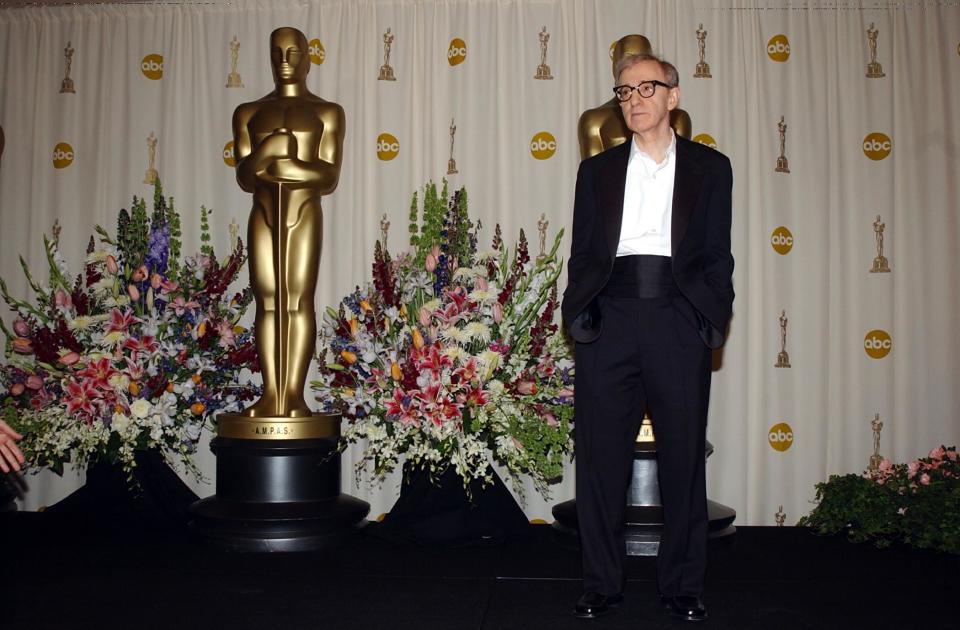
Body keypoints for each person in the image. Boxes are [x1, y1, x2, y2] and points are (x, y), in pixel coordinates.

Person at [562, 52, 734, 622]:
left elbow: (715, 253)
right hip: (611, 317)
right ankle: (601, 584)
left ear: (672, 97)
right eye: (624, 91)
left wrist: (710, 314)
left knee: (682, 458)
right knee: (600, 459)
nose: (633, 99)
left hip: (678, 316)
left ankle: (683, 585)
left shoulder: (712, 168)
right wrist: (580, 311)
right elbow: (584, 252)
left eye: (646, 88)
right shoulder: (598, 171)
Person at [232, 27, 345, 418]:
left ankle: (293, 395)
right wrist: (267, 150)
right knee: (267, 303)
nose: (284, 60)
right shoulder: (248, 112)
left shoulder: (325, 112)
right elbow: (245, 176)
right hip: (263, 213)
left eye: (293, 52)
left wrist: (292, 165)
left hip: (302, 213)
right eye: (277, 52)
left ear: (308, 58)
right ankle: (270, 394)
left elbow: (328, 177)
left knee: (297, 302)